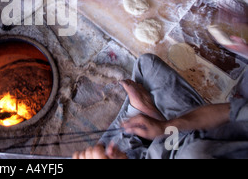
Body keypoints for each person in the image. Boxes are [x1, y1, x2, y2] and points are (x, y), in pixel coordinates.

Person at [73, 54, 248, 159]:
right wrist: (166, 127)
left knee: (145, 67)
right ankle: (142, 117)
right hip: (177, 141)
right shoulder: (196, 152)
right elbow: (232, 111)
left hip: (171, 145)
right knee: (146, 66)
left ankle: (138, 118)